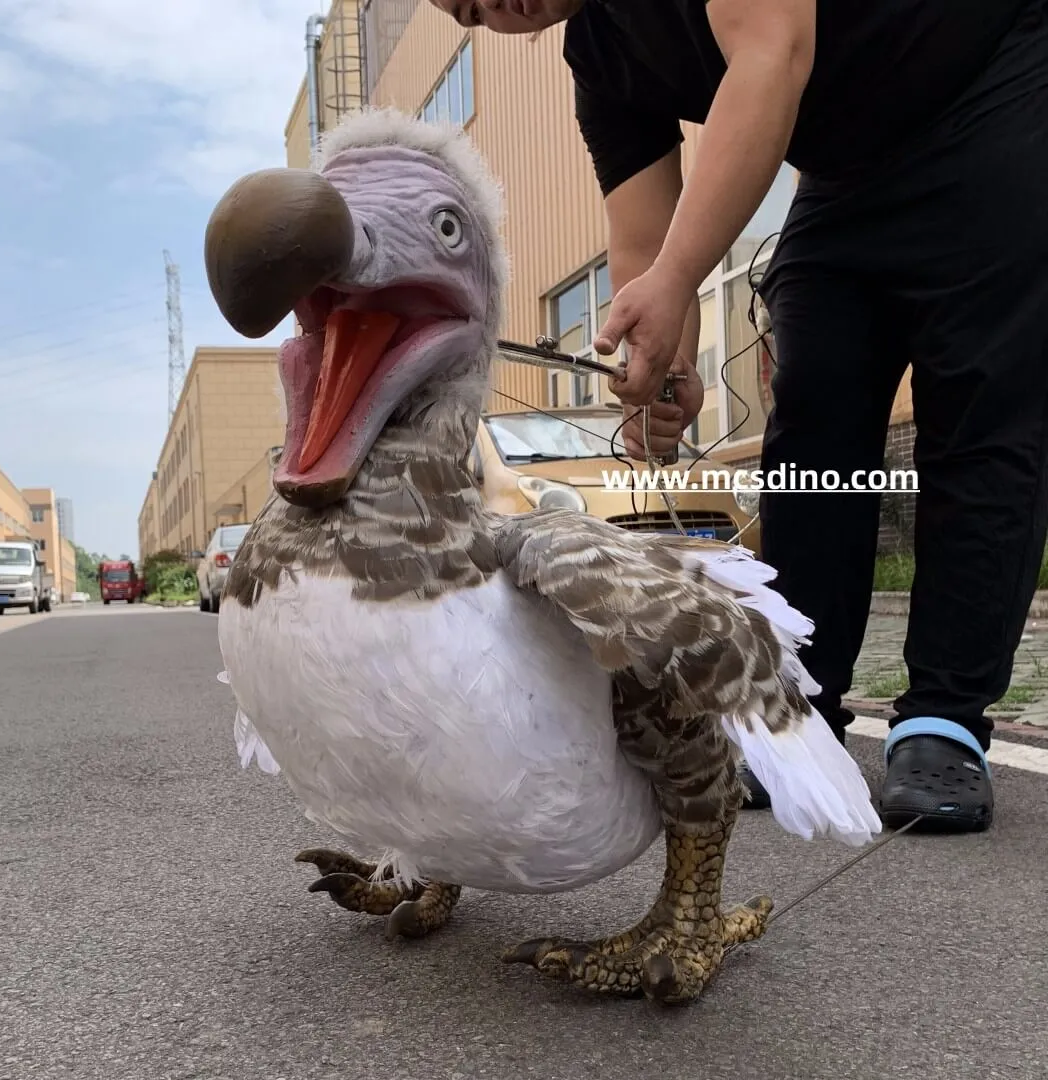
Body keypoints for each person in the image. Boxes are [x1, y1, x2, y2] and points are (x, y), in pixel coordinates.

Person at [429, 0, 1048, 834]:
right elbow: (648, 244)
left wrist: (680, 277)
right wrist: (660, 366)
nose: (487, 5)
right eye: (464, 8)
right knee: (814, 420)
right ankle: (801, 708)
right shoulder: (603, 60)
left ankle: (944, 721)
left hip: (990, 91)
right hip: (845, 168)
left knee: (981, 418)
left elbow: (772, 52)